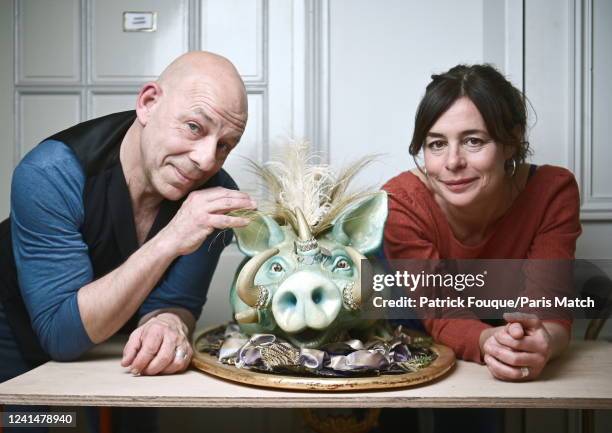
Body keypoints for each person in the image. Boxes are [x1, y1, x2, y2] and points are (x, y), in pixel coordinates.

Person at [0, 51, 254, 429]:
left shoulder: (215, 193)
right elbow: (60, 334)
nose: (206, 160)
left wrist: (168, 324)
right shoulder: (49, 174)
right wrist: (172, 238)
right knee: (45, 425)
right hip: (16, 333)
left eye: (225, 145)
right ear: (149, 103)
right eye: (195, 127)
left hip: (115, 341)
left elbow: (175, 302)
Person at [381, 64, 581, 432]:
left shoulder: (552, 191)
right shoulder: (402, 201)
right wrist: (487, 340)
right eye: (436, 144)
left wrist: (539, 344)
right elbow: (438, 309)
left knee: (481, 405)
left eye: (474, 141)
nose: (453, 163)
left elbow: (549, 307)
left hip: (499, 315)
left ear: (511, 142)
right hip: (411, 313)